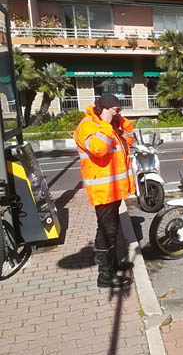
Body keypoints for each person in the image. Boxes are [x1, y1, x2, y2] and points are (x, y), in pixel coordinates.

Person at [74, 94, 136, 288]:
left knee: (112, 229)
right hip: (103, 190)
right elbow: (99, 149)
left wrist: (120, 122)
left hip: (114, 189)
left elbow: (128, 141)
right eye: (117, 110)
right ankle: (105, 276)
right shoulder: (88, 126)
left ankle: (114, 264)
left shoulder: (111, 125)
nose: (120, 113)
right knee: (106, 231)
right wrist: (106, 125)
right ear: (105, 110)